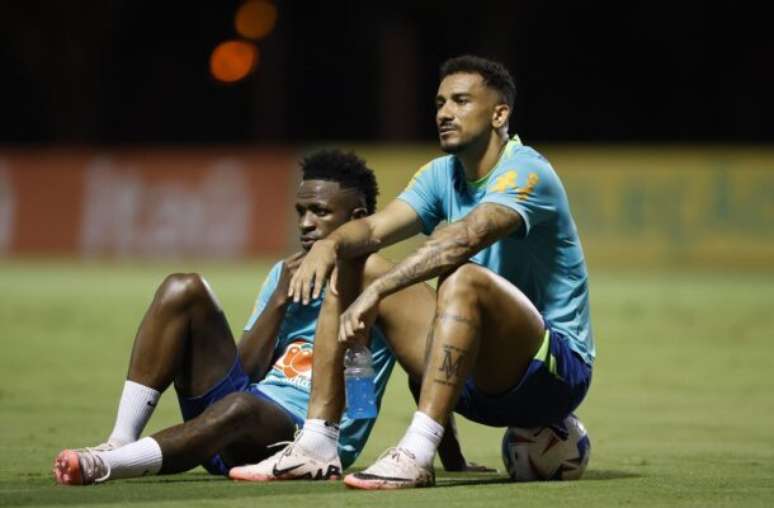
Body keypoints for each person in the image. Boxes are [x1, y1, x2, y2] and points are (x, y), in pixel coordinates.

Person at [240, 55, 595, 489]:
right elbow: (373, 229)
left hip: (551, 375)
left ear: (499, 114)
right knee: (357, 260)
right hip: (472, 384)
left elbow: (465, 238)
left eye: (461, 101)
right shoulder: (440, 175)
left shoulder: (527, 171)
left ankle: (416, 454)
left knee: (462, 277)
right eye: (440, 103)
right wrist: (330, 245)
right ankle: (317, 442)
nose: (444, 113)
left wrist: (378, 293)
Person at [53, 149, 481, 486]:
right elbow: (247, 371)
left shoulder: (383, 286)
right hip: (238, 418)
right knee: (182, 287)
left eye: (320, 212)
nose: (306, 224)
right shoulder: (284, 273)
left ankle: (106, 466)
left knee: (241, 407)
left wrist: (452, 458)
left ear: (357, 219)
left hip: (303, 434)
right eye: (300, 212)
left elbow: (418, 374)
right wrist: (279, 300)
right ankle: (120, 439)